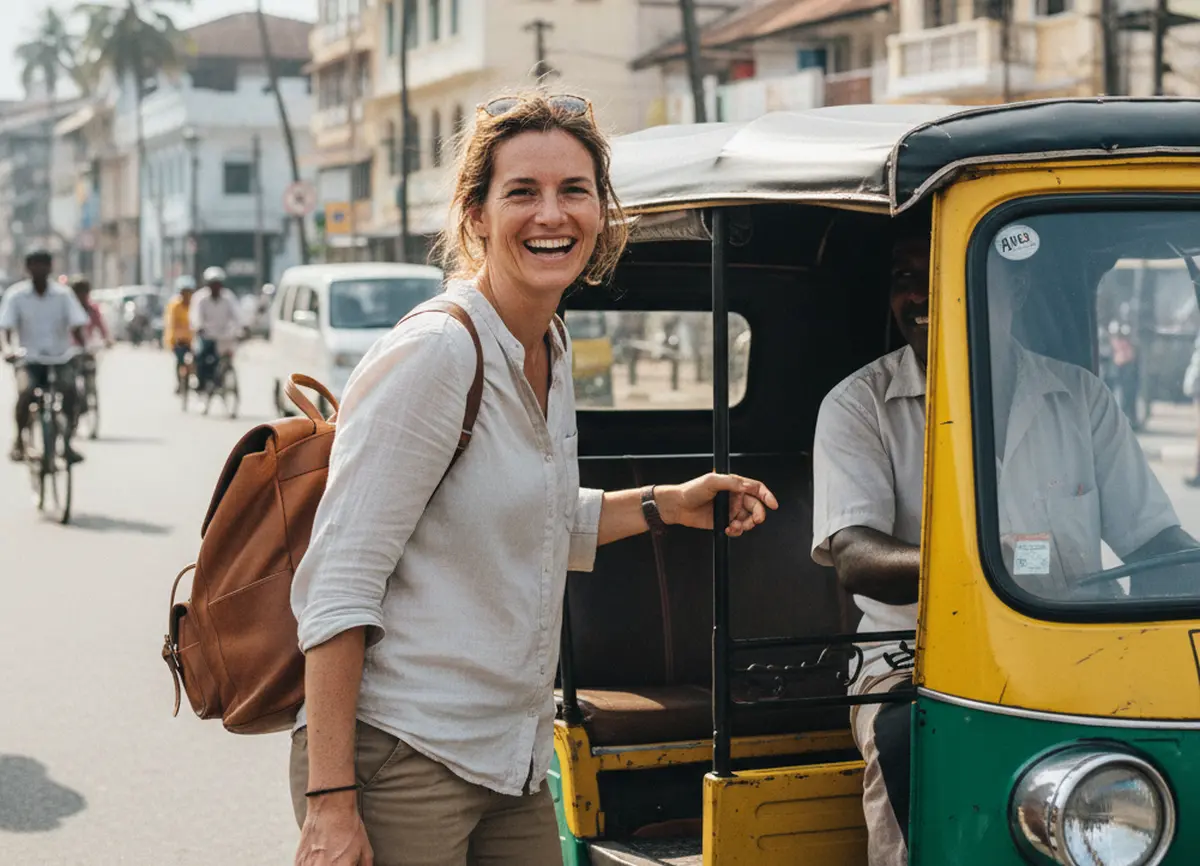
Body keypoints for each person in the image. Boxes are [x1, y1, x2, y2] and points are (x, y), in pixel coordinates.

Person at [289, 92, 779, 866]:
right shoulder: (438, 354)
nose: (551, 215)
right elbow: (338, 584)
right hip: (402, 757)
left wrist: (668, 505)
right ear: (476, 215)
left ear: (601, 211)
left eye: (573, 191)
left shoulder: (546, 342)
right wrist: (330, 802)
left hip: (510, 756)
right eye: (522, 192)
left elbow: (533, 518)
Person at [810, 221, 1195, 866]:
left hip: (1074, 642)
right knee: (909, 739)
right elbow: (856, 557)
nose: (923, 296)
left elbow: (1154, 536)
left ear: (1014, 288)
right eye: (906, 279)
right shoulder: (859, 406)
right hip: (911, 659)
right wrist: (990, 566)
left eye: (945, 276)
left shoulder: (1080, 397)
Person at [0, 251, 89, 463]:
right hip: (28, 359)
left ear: (50, 267)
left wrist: (84, 350)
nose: (39, 269)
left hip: (60, 358)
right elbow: (5, 329)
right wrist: (6, 350)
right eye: (34, 265)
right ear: (27, 268)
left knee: (72, 396)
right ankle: (19, 441)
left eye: (43, 265)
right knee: (25, 393)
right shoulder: (16, 295)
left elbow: (77, 326)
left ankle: (66, 444)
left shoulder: (63, 295)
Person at [189, 267, 243, 393]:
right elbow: (195, 316)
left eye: (218, 284)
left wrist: (243, 327)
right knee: (201, 357)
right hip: (207, 335)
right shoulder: (200, 298)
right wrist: (199, 327)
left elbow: (238, 314)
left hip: (224, 335)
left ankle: (222, 379)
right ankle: (201, 383)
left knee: (226, 356)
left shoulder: (228, 297)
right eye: (213, 284)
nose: (215, 287)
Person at [165, 276, 197, 393]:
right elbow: (171, 324)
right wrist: (175, 339)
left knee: (196, 359)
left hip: (193, 339)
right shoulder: (175, 305)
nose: (187, 295)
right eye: (184, 292)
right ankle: (180, 383)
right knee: (180, 360)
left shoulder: (195, 305)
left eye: (189, 292)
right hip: (177, 339)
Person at [70, 277, 111, 349]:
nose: (81, 296)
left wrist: (107, 339)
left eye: (84, 293)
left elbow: (101, 325)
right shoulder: (69, 309)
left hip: (87, 346)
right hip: (70, 348)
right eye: (79, 293)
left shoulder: (92, 309)